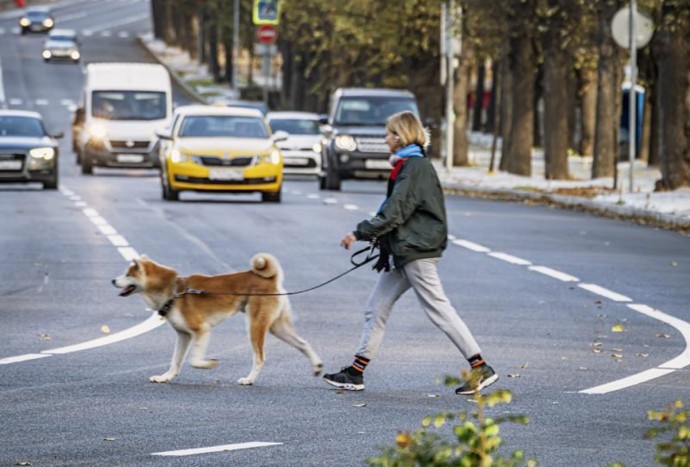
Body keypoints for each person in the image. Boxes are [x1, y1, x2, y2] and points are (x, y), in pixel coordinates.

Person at [323, 111, 498, 395]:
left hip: (416, 250)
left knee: (439, 309)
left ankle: (480, 366)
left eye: (388, 133)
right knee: (376, 308)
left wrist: (360, 232)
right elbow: (396, 210)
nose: (385, 138)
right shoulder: (408, 165)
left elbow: (396, 210)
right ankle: (355, 373)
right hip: (405, 250)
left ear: (400, 136)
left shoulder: (414, 167)